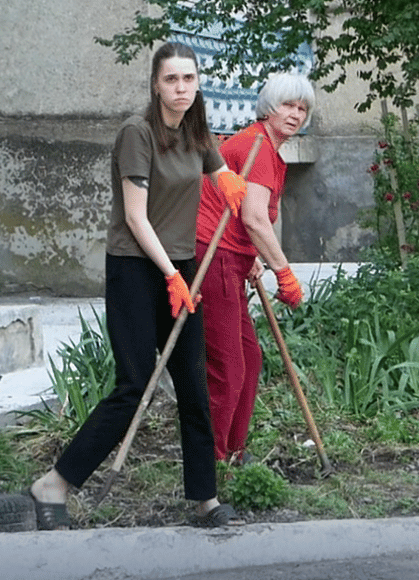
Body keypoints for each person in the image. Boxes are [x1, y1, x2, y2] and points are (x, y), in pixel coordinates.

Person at [29, 42, 250, 529]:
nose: (181, 88)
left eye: (189, 79)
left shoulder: (195, 127)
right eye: (171, 80)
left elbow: (219, 169)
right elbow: (135, 216)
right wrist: (170, 275)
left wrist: (230, 181)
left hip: (182, 267)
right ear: (155, 83)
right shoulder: (137, 132)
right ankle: (55, 483)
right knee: (134, 386)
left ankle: (204, 500)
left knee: (192, 383)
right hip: (136, 267)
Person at [196, 72, 315, 463]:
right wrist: (283, 271)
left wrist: (253, 258)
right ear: (269, 107)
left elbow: (246, 217)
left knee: (250, 357)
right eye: (287, 105)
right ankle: (211, 462)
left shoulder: (264, 147)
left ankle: (234, 449)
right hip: (214, 259)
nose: (295, 114)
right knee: (228, 367)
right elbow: (255, 219)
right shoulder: (257, 147)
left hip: (231, 258)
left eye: (302, 108)